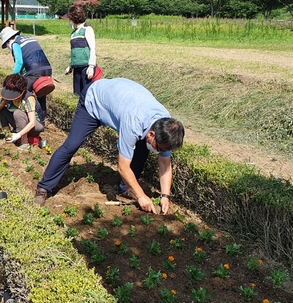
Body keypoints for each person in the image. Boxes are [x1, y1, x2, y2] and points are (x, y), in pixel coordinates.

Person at [33, 78, 185, 215]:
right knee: (71, 145)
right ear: (151, 133)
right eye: (159, 148)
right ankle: (43, 188)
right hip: (94, 101)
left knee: (143, 148)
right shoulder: (133, 122)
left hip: (120, 103)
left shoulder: (167, 127)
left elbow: (165, 163)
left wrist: (165, 196)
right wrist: (141, 196)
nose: (161, 152)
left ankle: (125, 188)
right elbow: (122, 166)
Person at [0, 27, 52, 123]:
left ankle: (28, 123)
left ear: (8, 40)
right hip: (46, 69)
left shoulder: (15, 43)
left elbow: (19, 62)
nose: (7, 47)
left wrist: (12, 78)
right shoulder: (28, 38)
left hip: (34, 71)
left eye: (6, 44)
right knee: (41, 95)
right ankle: (41, 121)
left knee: (22, 94)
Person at [0, 74, 44, 150]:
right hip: (21, 122)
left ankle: (24, 143)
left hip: (35, 127)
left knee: (18, 113)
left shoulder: (28, 98)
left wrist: (18, 135)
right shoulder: (7, 97)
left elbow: (33, 122)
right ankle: (8, 136)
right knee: (1, 111)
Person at [65, 4, 98, 96]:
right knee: (76, 93)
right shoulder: (73, 34)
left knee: (86, 93)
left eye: (70, 19)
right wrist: (70, 66)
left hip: (85, 67)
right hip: (76, 68)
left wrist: (91, 66)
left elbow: (92, 48)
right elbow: (74, 52)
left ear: (74, 18)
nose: (69, 22)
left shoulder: (87, 29)